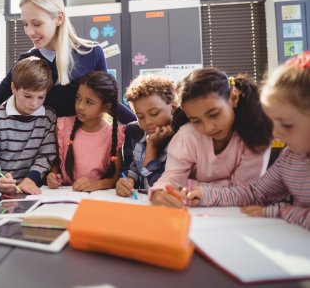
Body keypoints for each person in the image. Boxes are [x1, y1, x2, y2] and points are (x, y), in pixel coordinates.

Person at [0, 0, 135, 186]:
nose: (30, 32)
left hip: (81, 151)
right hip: (45, 159)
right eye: (25, 24)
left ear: (58, 18)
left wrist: (141, 124)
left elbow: (108, 101)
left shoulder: (91, 53)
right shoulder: (27, 62)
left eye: (36, 24)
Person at [187, 54, 310, 229]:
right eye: (273, 121)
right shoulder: (290, 157)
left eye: (287, 124)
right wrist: (206, 195)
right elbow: (256, 192)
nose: (276, 132)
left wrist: (279, 211)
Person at [150, 68, 273, 208]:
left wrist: (200, 189)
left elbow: (247, 194)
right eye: (196, 121)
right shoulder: (187, 136)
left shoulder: (256, 136)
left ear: (233, 98)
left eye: (214, 114)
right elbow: (171, 179)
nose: (208, 128)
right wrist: (159, 192)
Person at [0, 57, 56, 195]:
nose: (34, 104)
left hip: (31, 188)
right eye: (27, 96)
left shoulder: (48, 118)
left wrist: (31, 179)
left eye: (41, 97)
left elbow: (46, 156)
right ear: (14, 88)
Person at [46, 71, 125, 192]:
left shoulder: (114, 134)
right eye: (78, 98)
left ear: (106, 107)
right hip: (65, 196)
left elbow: (115, 177)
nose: (80, 106)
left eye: (89, 102)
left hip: (98, 198)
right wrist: (52, 175)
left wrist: (96, 184)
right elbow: (57, 162)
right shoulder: (62, 126)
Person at [116, 75, 176, 197]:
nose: (147, 122)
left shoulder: (182, 138)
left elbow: (153, 187)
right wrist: (128, 179)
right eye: (140, 116)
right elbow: (131, 167)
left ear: (173, 108)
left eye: (154, 113)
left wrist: (152, 145)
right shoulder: (134, 131)